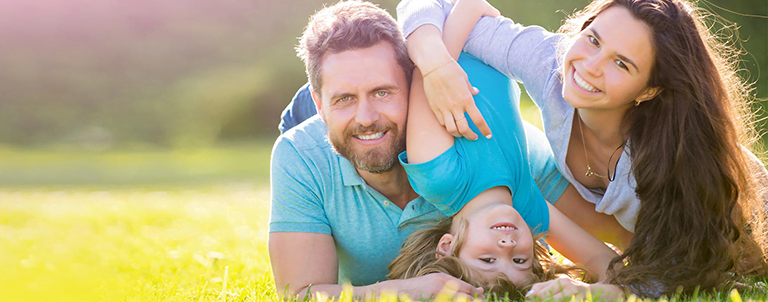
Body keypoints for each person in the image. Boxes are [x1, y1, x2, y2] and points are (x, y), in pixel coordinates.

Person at [397, 0, 768, 296]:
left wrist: (436, 69)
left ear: (649, 90)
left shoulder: (664, 165)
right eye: (593, 39)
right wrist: (436, 68)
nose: (589, 66)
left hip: (738, 208)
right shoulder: (553, 64)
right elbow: (432, 5)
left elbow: (674, 271)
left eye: (620, 64)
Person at [268, 1, 573, 299]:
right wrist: (404, 291)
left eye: (382, 92)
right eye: (344, 98)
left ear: (417, 85)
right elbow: (300, 293)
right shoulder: (300, 155)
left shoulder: (493, 144)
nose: (366, 117)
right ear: (320, 104)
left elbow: (607, 236)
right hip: (317, 127)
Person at [385, 2, 618, 297]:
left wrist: (468, 10)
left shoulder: (439, 176)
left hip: (441, 22)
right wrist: (592, 292)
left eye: (488, 259)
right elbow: (608, 263)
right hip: (489, 33)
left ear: (447, 246)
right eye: (520, 260)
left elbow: (433, 74)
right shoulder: (527, 207)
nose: (507, 247)